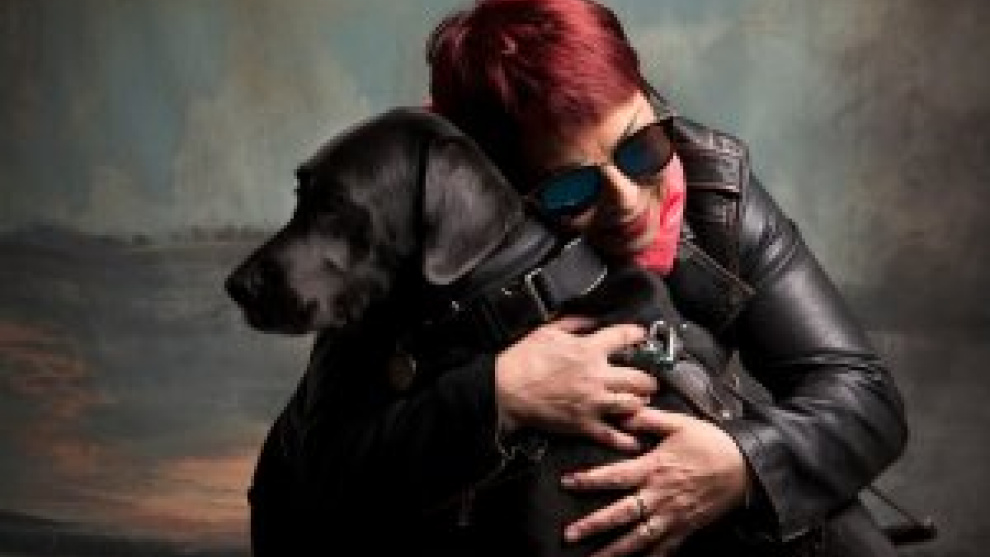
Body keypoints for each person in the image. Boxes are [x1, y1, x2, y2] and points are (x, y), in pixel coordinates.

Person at [246, 1, 908, 556]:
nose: (628, 200)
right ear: (493, 186)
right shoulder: (417, 212)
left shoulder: (716, 189)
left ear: (647, 96)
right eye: (572, 187)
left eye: (640, 147)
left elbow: (863, 396)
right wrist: (499, 392)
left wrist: (737, 463)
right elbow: (317, 479)